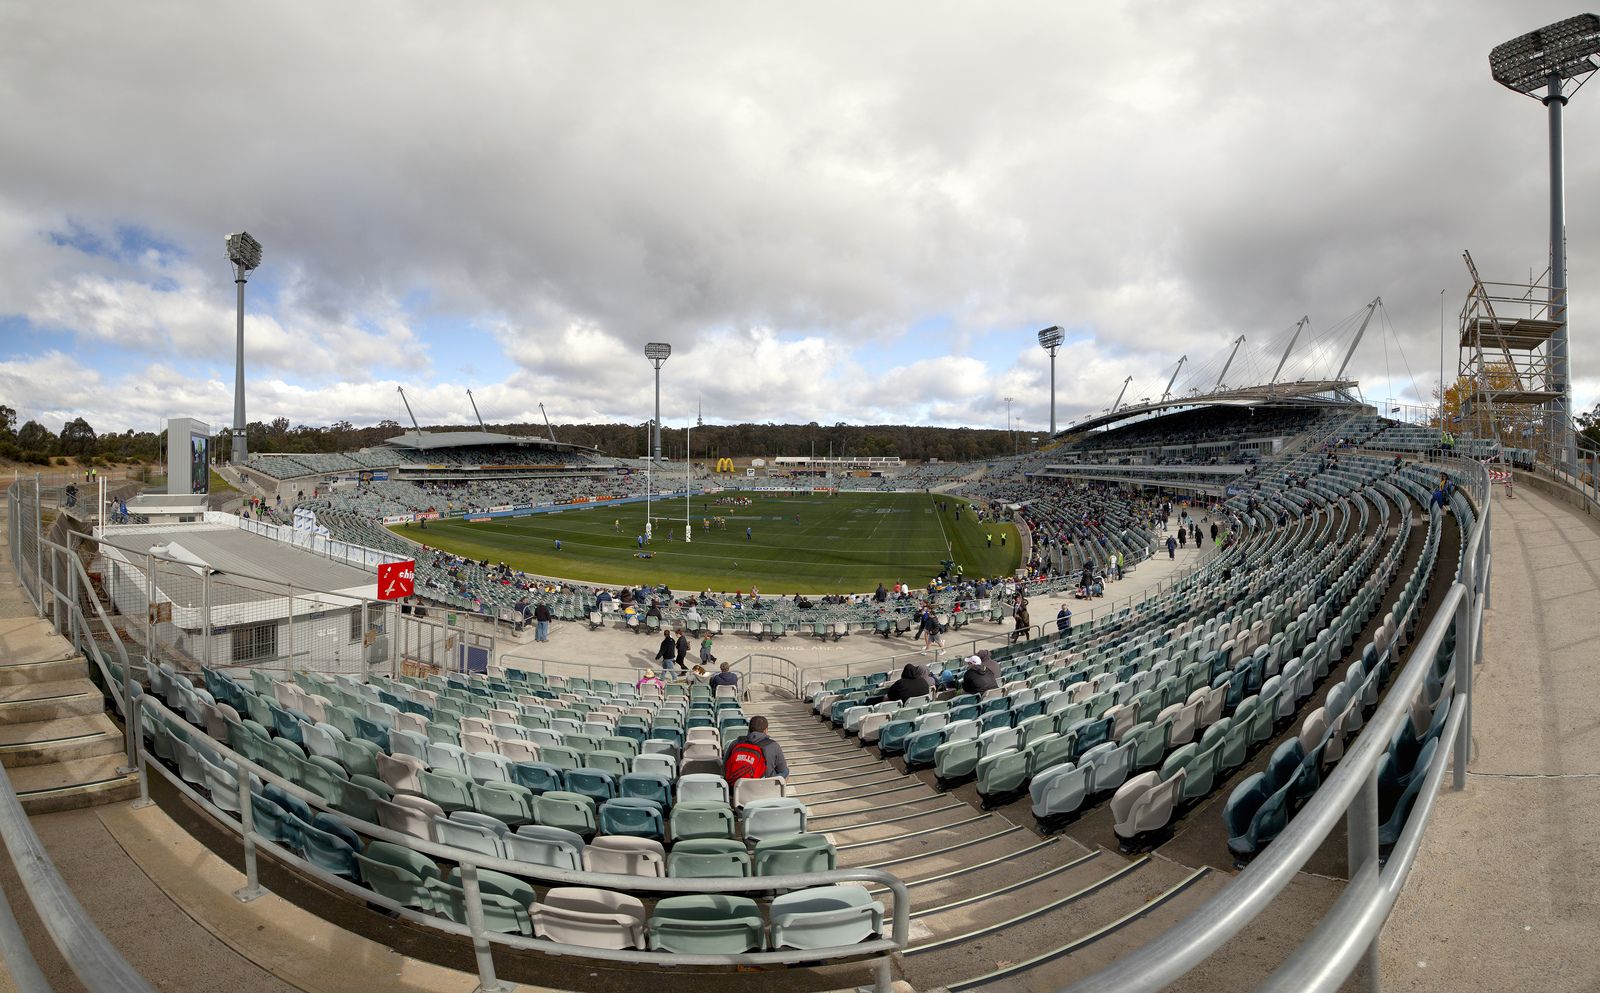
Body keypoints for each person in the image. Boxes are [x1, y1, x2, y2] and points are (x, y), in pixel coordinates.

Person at [725, 715, 788, 781]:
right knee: (785, 771)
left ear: (749, 729)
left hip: (738, 787)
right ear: (765, 730)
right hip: (764, 786)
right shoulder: (774, 746)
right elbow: (781, 769)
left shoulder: (735, 743)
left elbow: (725, 766)